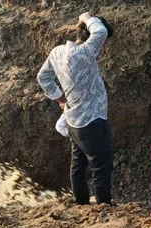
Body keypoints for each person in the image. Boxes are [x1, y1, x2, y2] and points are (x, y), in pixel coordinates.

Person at [37, 12, 114, 206]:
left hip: (73, 122)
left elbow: (43, 77)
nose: (103, 49)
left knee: (78, 166)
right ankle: (104, 206)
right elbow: (101, 32)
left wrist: (59, 99)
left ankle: (80, 202)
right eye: (103, 47)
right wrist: (86, 18)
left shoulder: (57, 52)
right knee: (101, 168)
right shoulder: (85, 54)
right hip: (92, 122)